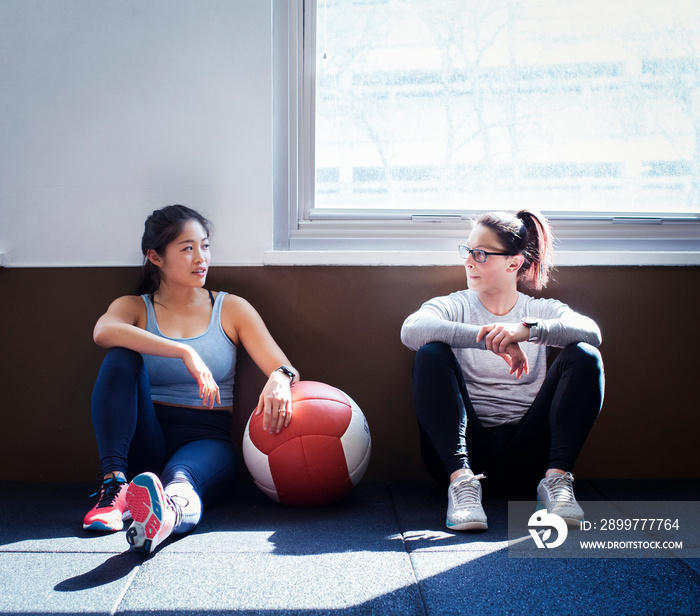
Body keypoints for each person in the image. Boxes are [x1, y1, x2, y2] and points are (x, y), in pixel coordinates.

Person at [83, 204, 299, 554]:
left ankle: (165, 515)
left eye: (205, 245)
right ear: (155, 257)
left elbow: (285, 367)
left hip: (205, 439)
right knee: (120, 356)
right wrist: (184, 352)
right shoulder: (135, 307)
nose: (201, 258)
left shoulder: (230, 308)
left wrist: (279, 377)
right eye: (187, 248)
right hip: (145, 436)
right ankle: (115, 490)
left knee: (182, 483)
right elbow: (104, 331)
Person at [400, 210, 604, 531]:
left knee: (585, 354)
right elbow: (411, 330)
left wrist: (523, 331)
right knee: (430, 352)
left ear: (514, 263)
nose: (468, 261)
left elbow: (591, 332)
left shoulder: (537, 310)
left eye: (480, 254)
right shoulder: (457, 305)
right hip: (466, 454)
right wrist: (490, 338)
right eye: (467, 251)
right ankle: (462, 484)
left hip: (530, 456)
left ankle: (556, 482)